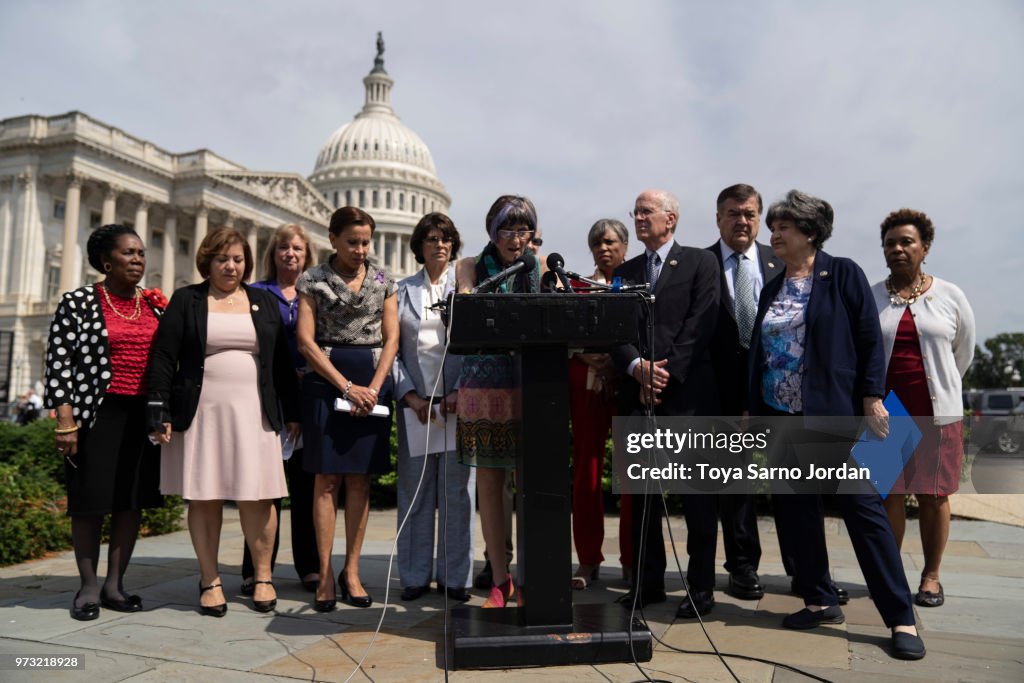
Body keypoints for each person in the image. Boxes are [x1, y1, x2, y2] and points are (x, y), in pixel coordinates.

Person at [749, 189, 925, 660]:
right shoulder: (773, 285)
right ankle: (819, 599)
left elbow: (869, 338)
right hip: (781, 417)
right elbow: (760, 353)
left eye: (782, 226)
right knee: (796, 516)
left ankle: (901, 616)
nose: (774, 234)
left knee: (864, 514)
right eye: (774, 226)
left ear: (809, 232)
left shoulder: (842, 272)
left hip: (834, 416)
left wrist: (871, 397)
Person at [149, 227, 300, 617]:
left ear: (246, 262)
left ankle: (263, 576)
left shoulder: (262, 301)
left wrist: (293, 413)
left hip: (254, 411)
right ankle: (210, 579)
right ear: (207, 262)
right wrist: (158, 410)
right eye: (222, 259)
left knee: (259, 494)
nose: (230, 266)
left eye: (237, 259)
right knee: (206, 495)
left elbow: (282, 363)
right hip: (202, 412)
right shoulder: (187, 299)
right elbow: (164, 357)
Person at [45, 224, 165, 621]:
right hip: (96, 413)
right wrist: (65, 420)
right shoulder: (79, 301)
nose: (138, 260)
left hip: (141, 414)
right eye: (129, 253)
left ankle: (115, 584)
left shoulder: (153, 305)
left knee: (131, 501)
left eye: (141, 253)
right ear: (106, 260)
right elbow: (59, 362)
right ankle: (88, 587)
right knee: (90, 501)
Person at [610, 189, 721, 611]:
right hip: (638, 395)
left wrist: (666, 372)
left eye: (646, 211)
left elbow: (702, 321)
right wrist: (636, 367)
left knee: (697, 500)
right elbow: (615, 329)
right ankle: (646, 583)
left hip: (688, 396)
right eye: (635, 211)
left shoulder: (700, 262)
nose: (638, 217)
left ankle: (700, 588)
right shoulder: (626, 270)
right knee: (641, 500)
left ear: (670, 219)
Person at [296, 206, 398, 612]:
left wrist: (371, 389)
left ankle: (351, 572)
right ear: (333, 239)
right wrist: (347, 387)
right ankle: (324, 574)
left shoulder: (383, 281)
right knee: (326, 481)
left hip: (371, 382)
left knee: (359, 481)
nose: (360, 249)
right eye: (352, 241)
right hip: (327, 381)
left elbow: (391, 340)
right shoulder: (312, 279)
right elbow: (305, 341)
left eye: (365, 242)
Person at [873, 208, 975, 608]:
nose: (897, 249)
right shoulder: (871, 295)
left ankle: (931, 576)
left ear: (925, 247)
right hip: (885, 414)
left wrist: (944, 388)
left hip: (938, 412)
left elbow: (962, 354)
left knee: (934, 496)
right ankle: (891, 574)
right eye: (889, 243)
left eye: (906, 242)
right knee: (889, 495)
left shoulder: (951, 295)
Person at [696, 183, 784, 610]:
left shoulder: (779, 261)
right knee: (734, 483)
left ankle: (806, 571)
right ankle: (742, 566)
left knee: (794, 486)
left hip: (777, 391)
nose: (742, 221)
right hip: (721, 394)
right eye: (733, 213)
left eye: (750, 214)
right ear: (718, 218)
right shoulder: (700, 264)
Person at [455, 194, 542, 607]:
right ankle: (500, 577)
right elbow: (468, 311)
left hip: (530, 382)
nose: (516, 239)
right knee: (490, 482)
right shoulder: (469, 266)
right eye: (508, 230)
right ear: (492, 232)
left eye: (523, 230)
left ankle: (534, 573)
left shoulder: (537, 266)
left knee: (530, 481)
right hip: (484, 384)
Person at [394, 212, 474, 602]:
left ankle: (454, 578)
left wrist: (460, 390)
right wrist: (409, 396)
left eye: (445, 239)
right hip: (416, 407)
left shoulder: (466, 289)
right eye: (430, 239)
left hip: (456, 404)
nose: (439, 245)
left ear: (453, 245)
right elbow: (389, 352)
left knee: (456, 495)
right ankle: (413, 575)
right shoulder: (400, 291)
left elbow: (475, 345)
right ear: (419, 247)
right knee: (415, 493)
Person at [239, 224, 321, 596]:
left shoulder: (317, 292)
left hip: (309, 397)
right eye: (284, 247)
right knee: (262, 487)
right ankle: (255, 567)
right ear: (273, 253)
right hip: (267, 397)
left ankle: (309, 565)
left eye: (298, 249)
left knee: (306, 486)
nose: (291, 253)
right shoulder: (255, 293)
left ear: (308, 255)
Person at [569, 218, 632, 589]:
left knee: (632, 477)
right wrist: (584, 353)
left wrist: (617, 361)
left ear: (624, 245)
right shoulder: (577, 286)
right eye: (596, 243)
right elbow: (565, 333)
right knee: (586, 475)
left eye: (610, 242)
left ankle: (632, 560)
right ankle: (588, 560)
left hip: (626, 385)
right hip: (587, 384)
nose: (603, 249)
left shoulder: (639, 281)